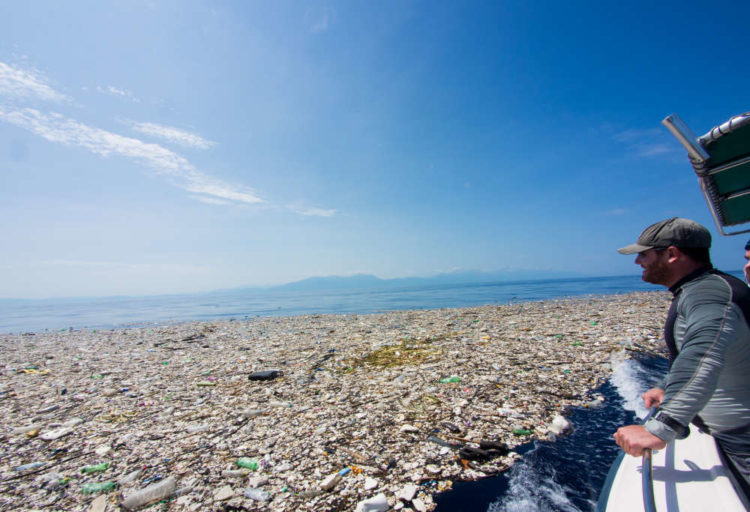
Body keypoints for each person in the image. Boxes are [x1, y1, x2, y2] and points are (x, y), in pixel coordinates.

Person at [613, 217, 750, 497]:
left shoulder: (708, 294)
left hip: (742, 440)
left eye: (644, 254)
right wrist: (667, 386)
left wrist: (662, 427)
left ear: (672, 254)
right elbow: (699, 351)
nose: (638, 261)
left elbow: (703, 354)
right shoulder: (702, 289)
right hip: (727, 434)